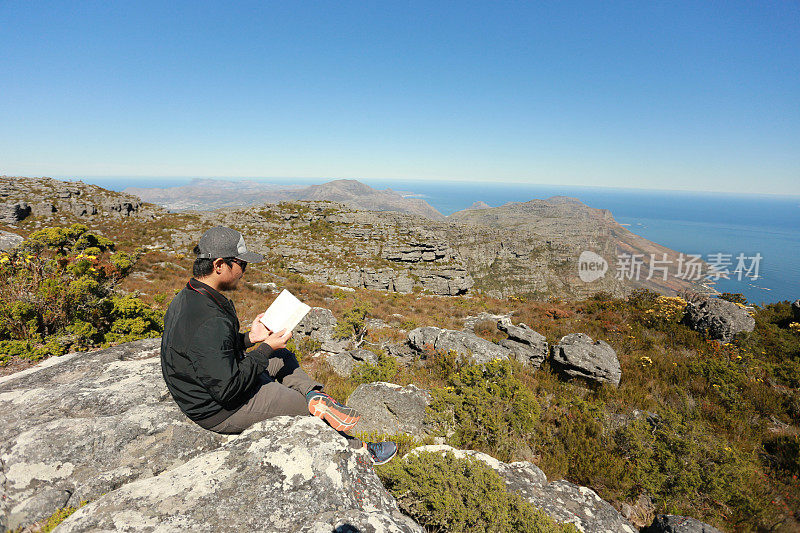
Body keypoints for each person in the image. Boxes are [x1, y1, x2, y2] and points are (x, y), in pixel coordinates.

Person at [160, 226, 396, 465]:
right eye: (241, 264)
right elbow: (227, 388)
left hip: (216, 381)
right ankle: (361, 451)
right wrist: (265, 349)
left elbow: (208, 350)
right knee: (301, 408)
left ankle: (315, 395)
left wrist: (249, 339)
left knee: (282, 356)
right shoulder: (210, 319)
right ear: (219, 265)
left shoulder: (191, 296)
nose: (244, 271)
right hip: (219, 408)